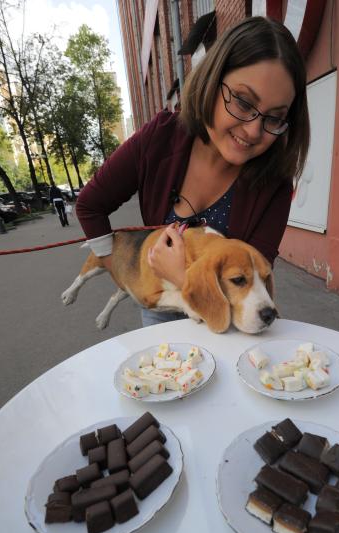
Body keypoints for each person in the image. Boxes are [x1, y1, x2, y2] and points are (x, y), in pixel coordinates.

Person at [76, 16, 310, 327]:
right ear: (212, 83)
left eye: (275, 118)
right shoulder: (158, 138)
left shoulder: (275, 184)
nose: (254, 130)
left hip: (229, 320)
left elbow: (254, 280)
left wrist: (181, 277)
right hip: (160, 308)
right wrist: (114, 265)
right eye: (242, 101)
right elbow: (90, 205)